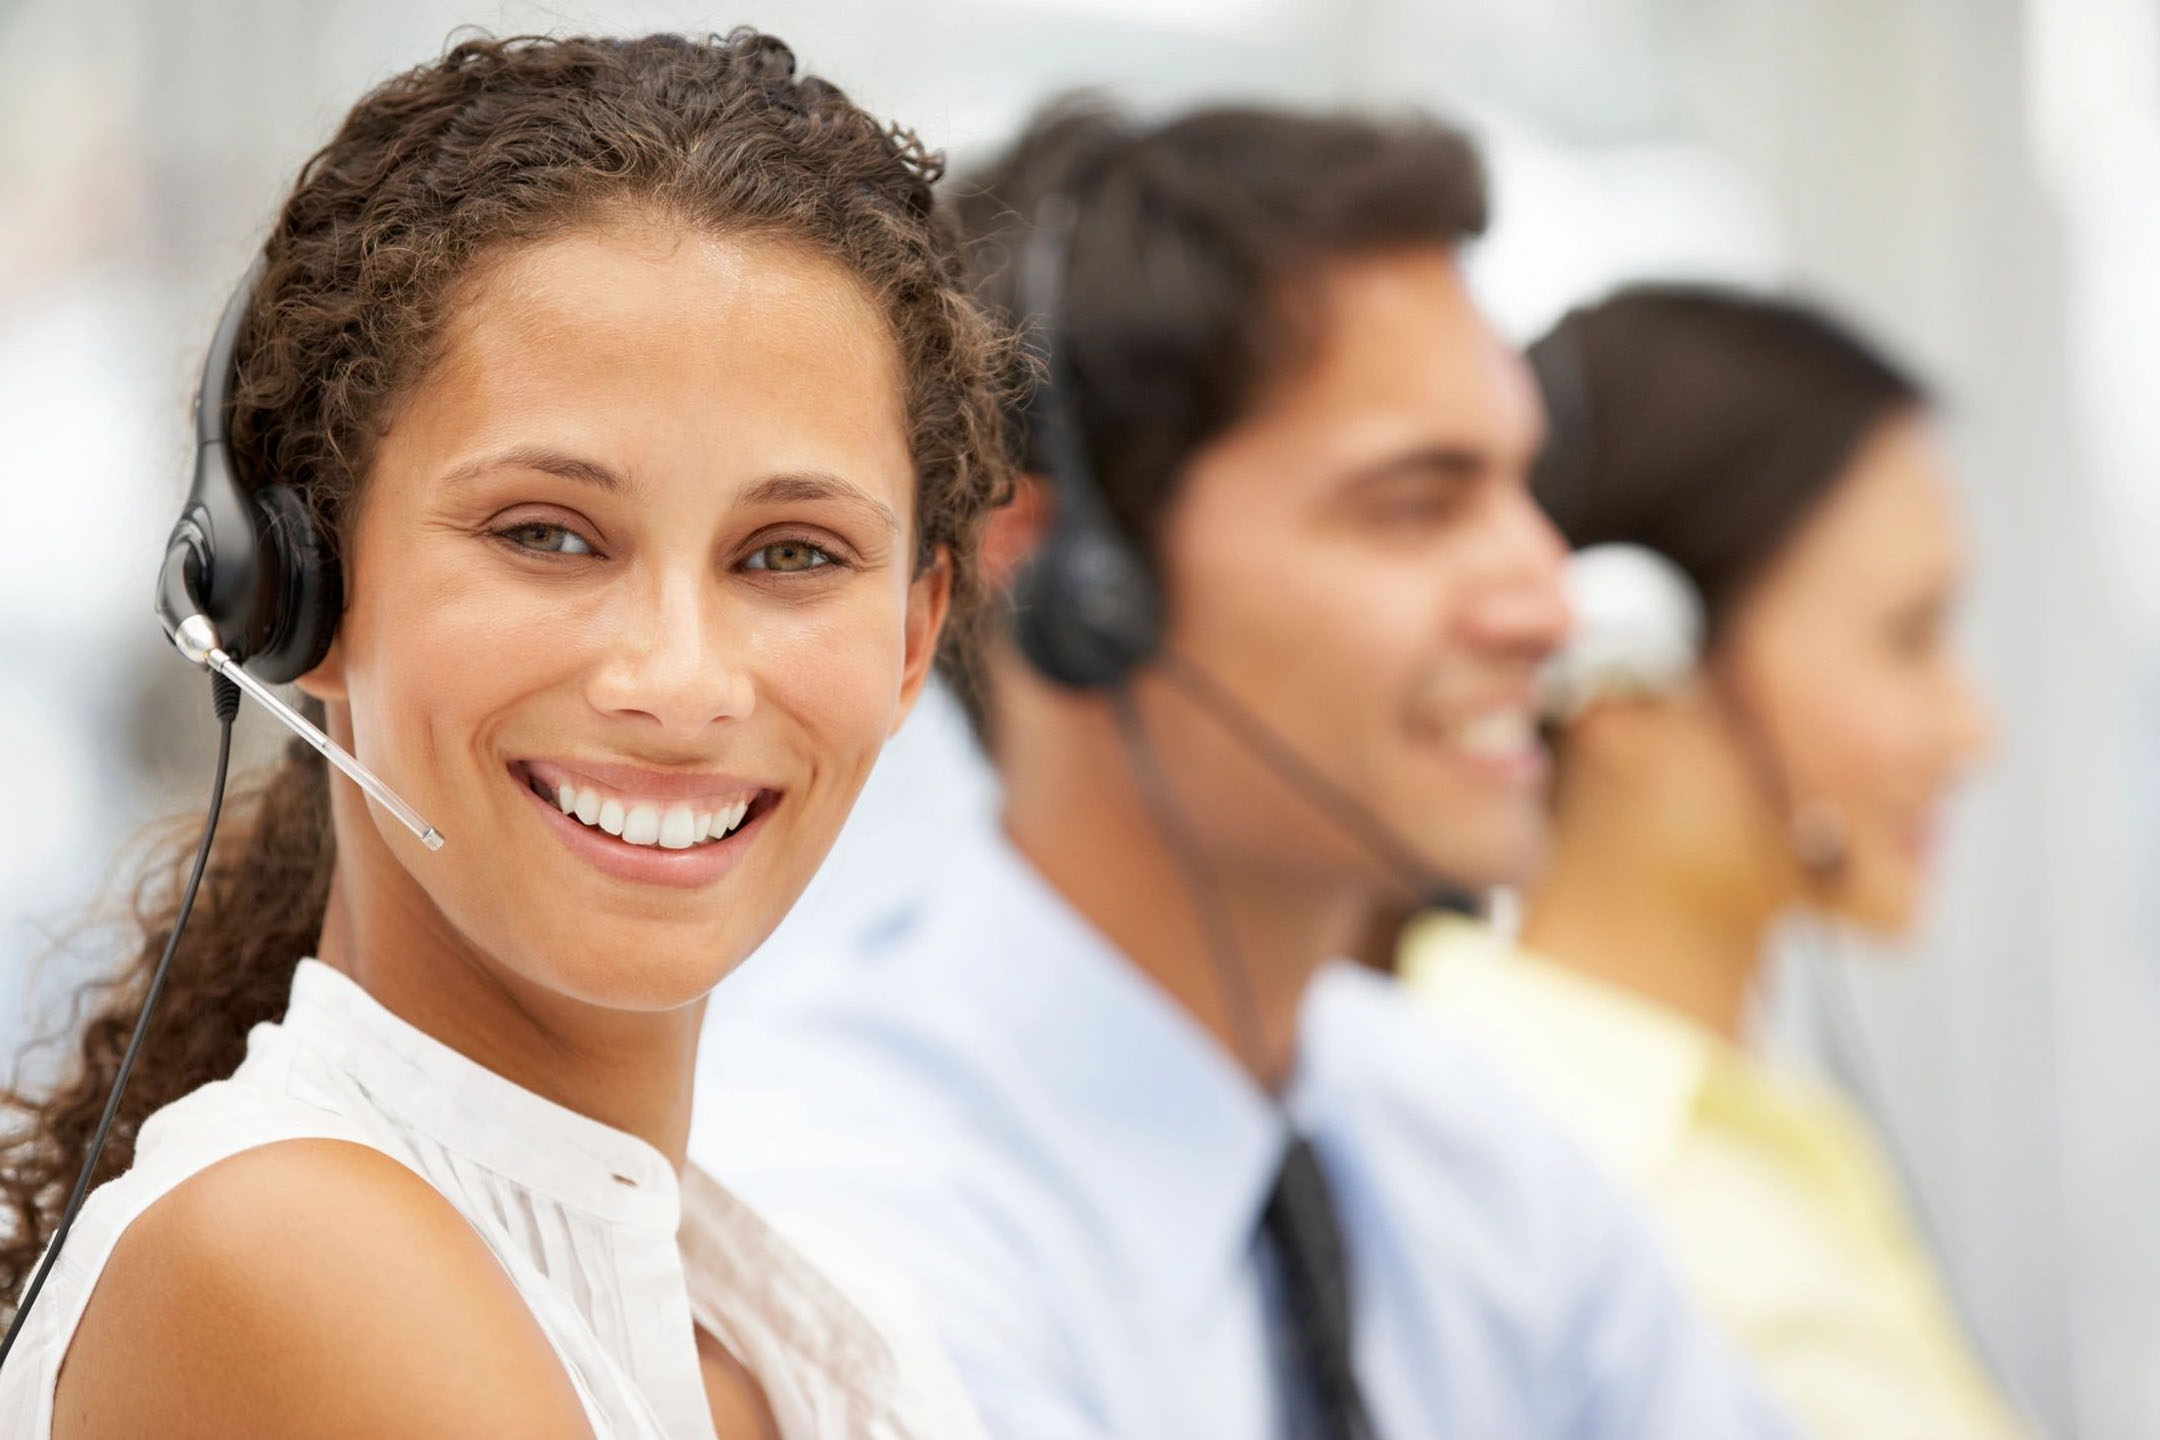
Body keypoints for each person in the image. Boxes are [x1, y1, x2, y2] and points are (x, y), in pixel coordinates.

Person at [692, 99, 1796, 1439]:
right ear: (1071, 581)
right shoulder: (845, 1213)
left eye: (1524, 491)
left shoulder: (1456, 1146)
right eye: (1416, 505)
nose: (1547, 606)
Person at [0, 31, 1012, 1439]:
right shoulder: (287, 1255)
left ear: (912, 641)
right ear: (303, 588)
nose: (681, 681)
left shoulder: (804, 1330)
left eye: (790, 556)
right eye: (548, 534)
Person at [1401, 284, 2023, 1438]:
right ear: (1628, 672)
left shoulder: (1758, 1120)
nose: (1973, 728)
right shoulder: (1519, 1182)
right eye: (1906, 638)